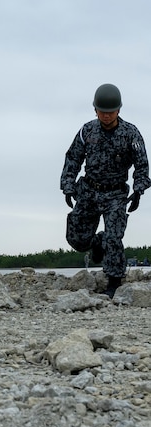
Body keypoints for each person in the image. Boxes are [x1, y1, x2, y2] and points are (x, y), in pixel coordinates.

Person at [61, 83, 149, 298]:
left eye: (110, 112)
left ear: (118, 110)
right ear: (95, 110)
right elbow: (73, 158)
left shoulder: (131, 134)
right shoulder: (86, 131)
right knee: (76, 238)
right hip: (89, 190)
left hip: (116, 194)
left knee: (114, 237)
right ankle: (96, 242)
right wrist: (68, 185)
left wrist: (138, 189)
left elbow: (142, 165)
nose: (106, 116)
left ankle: (113, 281)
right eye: (102, 111)